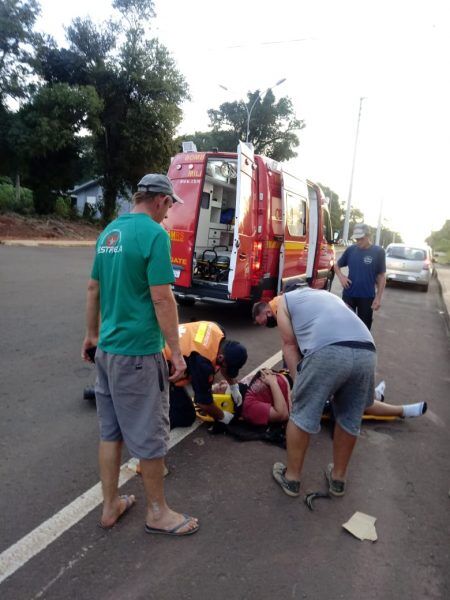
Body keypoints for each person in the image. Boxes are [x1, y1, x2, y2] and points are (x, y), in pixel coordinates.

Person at [81, 173, 199, 536]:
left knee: (110, 432)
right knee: (150, 434)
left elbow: (93, 288)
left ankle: (110, 505)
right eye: (169, 207)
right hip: (138, 353)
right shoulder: (154, 235)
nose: (168, 215)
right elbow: (162, 297)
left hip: (108, 351)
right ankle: (157, 512)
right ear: (161, 200)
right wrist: (177, 354)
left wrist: (91, 335)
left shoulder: (109, 233)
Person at [273, 285, 378, 498]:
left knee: (302, 415)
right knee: (349, 417)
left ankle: (292, 479)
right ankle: (338, 479)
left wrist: (298, 383)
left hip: (328, 351)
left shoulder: (283, 301)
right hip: (367, 351)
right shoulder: (327, 296)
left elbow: (289, 345)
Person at [252, 299, 427, 420]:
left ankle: (399, 409)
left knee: (349, 400)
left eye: (262, 322)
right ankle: (384, 400)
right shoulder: (286, 303)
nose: (264, 326)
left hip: (325, 358)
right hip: (341, 345)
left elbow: (292, 346)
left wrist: (297, 382)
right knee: (350, 394)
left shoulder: (280, 308)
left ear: (267, 312)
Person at [164, 321, 248, 425]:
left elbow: (222, 364)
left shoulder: (217, 330)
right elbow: (203, 403)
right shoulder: (203, 364)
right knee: (185, 416)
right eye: (226, 367)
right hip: (155, 365)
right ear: (221, 358)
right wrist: (223, 417)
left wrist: (234, 386)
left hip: (164, 339)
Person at [333, 223, 386, 330]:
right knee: (345, 325)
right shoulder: (351, 250)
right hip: (349, 294)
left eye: (361, 238)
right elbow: (336, 265)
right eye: (356, 239)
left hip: (367, 297)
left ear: (369, 236)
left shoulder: (378, 252)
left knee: (364, 328)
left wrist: (378, 298)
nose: (358, 241)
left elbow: (381, 276)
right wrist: (341, 277)